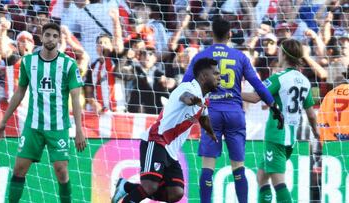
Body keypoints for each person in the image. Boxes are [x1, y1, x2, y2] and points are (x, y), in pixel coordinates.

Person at [181, 16, 283, 203]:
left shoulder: (201, 56)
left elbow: (185, 84)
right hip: (235, 113)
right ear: (230, 35)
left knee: (208, 166)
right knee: (238, 167)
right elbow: (258, 86)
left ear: (212, 34)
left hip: (211, 113)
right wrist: (273, 106)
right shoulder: (240, 57)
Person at [0, 23, 87, 203]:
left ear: (59, 39)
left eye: (54, 36)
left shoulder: (68, 64)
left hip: (58, 127)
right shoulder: (29, 62)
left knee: (61, 171)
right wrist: (4, 121)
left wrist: (79, 130)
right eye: (47, 35)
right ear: (41, 38)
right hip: (33, 126)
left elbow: (75, 98)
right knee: (19, 168)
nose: (51, 39)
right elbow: (19, 92)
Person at [111, 58, 220, 203]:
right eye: (216, 74)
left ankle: (127, 186)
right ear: (204, 76)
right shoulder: (188, 88)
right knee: (150, 187)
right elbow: (185, 98)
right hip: (156, 140)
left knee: (176, 192)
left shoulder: (204, 97)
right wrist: (194, 100)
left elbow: (203, 118)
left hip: (170, 151)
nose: (220, 77)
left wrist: (211, 132)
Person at [242, 39, 320, 203]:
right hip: (291, 138)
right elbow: (312, 115)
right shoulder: (305, 81)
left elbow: (256, 98)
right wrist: (316, 132)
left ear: (283, 54)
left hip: (276, 135)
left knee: (279, 183)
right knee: (262, 176)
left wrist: (232, 92)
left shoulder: (278, 78)